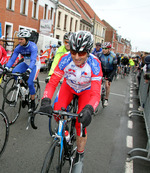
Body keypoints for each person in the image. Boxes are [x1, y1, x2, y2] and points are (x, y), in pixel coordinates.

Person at [39, 31, 103, 172]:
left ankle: (80, 155)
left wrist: (89, 109)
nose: (76, 57)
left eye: (81, 53)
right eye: (74, 52)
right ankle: (65, 130)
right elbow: (53, 83)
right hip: (69, 86)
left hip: (86, 91)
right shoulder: (65, 59)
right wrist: (45, 100)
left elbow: (96, 93)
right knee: (57, 111)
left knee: (81, 123)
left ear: (88, 51)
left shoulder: (95, 64)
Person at [3, 29, 41, 113]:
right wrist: (7, 68)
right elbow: (12, 59)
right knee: (15, 72)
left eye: (21, 39)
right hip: (25, 63)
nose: (19, 41)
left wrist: (28, 71)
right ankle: (23, 90)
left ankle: (33, 102)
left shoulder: (33, 46)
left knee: (30, 83)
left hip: (34, 64)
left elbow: (33, 60)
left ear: (27, 39)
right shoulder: (18, 47)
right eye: (18, 39)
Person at [98, 42, 117, 107]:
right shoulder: (100, 55)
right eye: (103, 48)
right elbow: (97, 65)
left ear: (109, 49)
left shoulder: (113, 56)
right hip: (102, 70)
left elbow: (115, 69)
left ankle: (106, 99)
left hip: (110, 71)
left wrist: (109, 78)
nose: (103, 50)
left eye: (105, 48)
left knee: (107, 85)